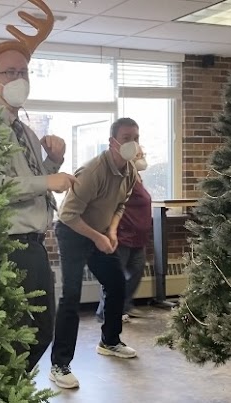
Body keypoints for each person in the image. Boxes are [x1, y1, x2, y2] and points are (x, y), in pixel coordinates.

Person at [0, 0, 77, 372]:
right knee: (20, 335)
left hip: (35, 245)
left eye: (23, 72)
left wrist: (54, 161)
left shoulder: (24, 130)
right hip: (9, 246)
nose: (18, 79)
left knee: (38, 332)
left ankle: (12, 389)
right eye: (8, 73)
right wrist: (48, 178)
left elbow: (36, 184)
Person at [49, 118, 140, 389]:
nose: (132, 143)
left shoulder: (131, 170)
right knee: (71, 295)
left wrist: (111, 232)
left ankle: (109, 341)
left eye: (135, 136)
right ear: (112, 141)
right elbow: (67, 215)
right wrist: (98, 237)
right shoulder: (93, 171)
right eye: (126, 138)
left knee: (116, 283)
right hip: (72, 232)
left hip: (99, 233)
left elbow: (121, 204)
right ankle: (59, 365)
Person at [95, 146, 152, 323]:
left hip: (138, 237)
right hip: (122, 235)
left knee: (135, 271)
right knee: (114, 277)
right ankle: (106, 312)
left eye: (143, 154)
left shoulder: (136, 177)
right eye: (140, 155)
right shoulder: (122, 177)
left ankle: (123, 306)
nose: (143, 158)